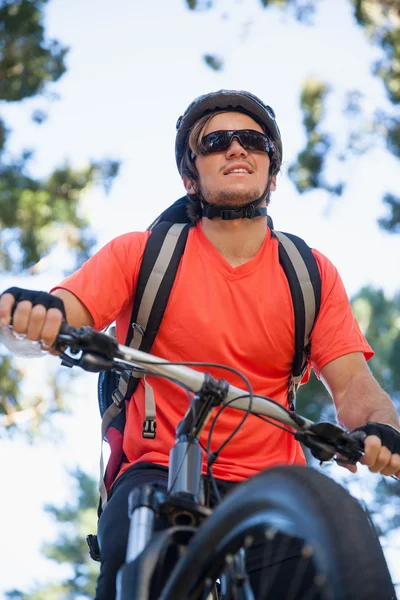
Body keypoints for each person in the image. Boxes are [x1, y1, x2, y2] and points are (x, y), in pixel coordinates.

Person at [1, 89, 400, 599]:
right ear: (191, 177)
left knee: (341, 542)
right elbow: (63, 315)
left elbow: (354, 388)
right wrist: (35, 317)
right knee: (139, 558)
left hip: (275, 484)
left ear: (271, 173)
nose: (236, 149)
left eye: (252, 141)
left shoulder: (310, 274)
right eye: (216, 142)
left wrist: (379, 431)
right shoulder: (142, 255)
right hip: (158, 472)